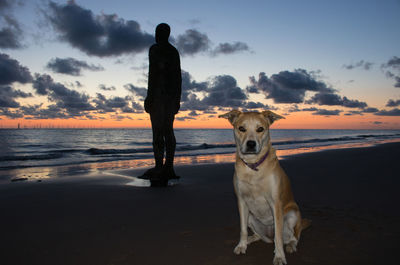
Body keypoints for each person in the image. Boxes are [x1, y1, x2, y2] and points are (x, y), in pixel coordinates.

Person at [142, 23, 182, 186]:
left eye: (159, 32)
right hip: (165, 97)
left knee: (162, 131)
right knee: (163, 131)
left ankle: (165, 166)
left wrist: (150, 97)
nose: (157, 35)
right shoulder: (168, 51)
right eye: (157, 32)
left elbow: (155, 75)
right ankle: (163, 166)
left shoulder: (161, 50)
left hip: (162, 97)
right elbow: (156, 75)